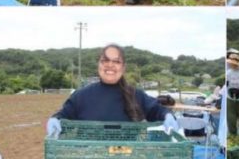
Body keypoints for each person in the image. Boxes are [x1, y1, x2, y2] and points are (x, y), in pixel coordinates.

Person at [46, 44, 179, 137]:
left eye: (116, 61)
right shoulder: (81, 96)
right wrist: (55, 119)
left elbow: (158, 110)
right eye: (105, 60)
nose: (110, 65)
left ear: (123, 67)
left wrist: (168, 116)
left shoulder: (135, 95)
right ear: (98, 65)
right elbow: (63, 114)